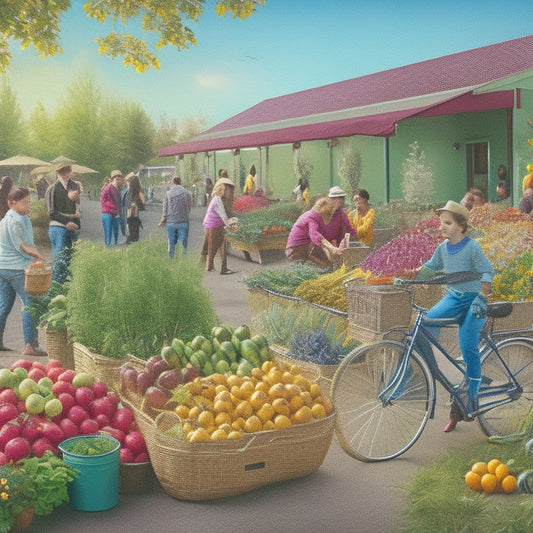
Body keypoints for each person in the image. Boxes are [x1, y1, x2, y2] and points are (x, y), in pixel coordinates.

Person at [414, 200, 494, 433]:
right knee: (425, 324)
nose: (442, 227)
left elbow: (487, 270)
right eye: (441, 222)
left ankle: (471, 394)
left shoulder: (472, 247)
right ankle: (431, 372)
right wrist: (408, 276)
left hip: (474, 300)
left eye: (447, 223)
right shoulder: (443, 248)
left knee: (467, 343)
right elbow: (430, 266)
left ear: (461, 225)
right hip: (454, 297)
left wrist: (483, 295)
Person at [0, 186, 47, 356]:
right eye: (25, 202)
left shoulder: (9, 218)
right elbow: (21, 244)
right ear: (12, 203)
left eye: (29, 201)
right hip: (17, 268)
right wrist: (38, 255)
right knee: (30, 304)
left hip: (3, 267)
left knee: (4, 305)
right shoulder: (15, 220)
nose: (29, 205)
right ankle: (30, 345)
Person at [45, 164, 81, 282]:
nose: (67, 175)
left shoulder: (71, 188)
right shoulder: (53, 188)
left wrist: (75, 221)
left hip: (70, 229)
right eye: (64, 173)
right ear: (59, 174)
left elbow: (73, 209)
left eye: (68, 172)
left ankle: (64, 293)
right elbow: (52, 213)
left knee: (70, 263)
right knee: (59, 263)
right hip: (58, 228)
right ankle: (55, 292)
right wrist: (69, 220)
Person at [285, 197, 341, 267]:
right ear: (324, 212)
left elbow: (323, 236)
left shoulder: (314, 216)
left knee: (325, 263)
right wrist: (332, 248)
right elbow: (315, 236)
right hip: (295, 251)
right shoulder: (311, 218)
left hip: (303, 248)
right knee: (321, 266)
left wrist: (332, 246)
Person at [202, 176, 238, 275]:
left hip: (212, 225)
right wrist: (231, 225)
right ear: (223, 189)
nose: (231, 193)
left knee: (213, 247)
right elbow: (224, 217)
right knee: (219, 247)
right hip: (214, 226)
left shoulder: (217, 199)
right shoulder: (218, 200)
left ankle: (212, 266)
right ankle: (222, 268)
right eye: (229, 191)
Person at [158, 176, 192, 257]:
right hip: (183, 221)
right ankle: (182, 261)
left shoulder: (168, 193)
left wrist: (163, 218)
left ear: (173, 182)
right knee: (183, 244)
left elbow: (165, 208)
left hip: (171, 222)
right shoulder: (187, 193)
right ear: (180, 182)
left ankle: (172, 260)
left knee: (171, 242)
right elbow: (189, 206)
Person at [100, 170, 125, 247]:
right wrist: (116, 210)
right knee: (109, 234)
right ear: (113, 178)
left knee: (114, 233)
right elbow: (104, 201)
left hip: (112, 213)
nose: (118, 178)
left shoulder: (116, 188)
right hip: (109, 213)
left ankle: (112, 249)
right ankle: (109, 250)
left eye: (119, 177)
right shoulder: (109, 188)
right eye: (116, 177)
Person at [125, 173, 145, 243]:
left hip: (129, 216)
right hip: (136, 217)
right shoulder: (138, 192)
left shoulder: (128, 193)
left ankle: (131, 239)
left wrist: (133, 176)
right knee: (136, 234)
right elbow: (143, 202)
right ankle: (134, 240)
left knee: (131, 230)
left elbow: (126, 179)